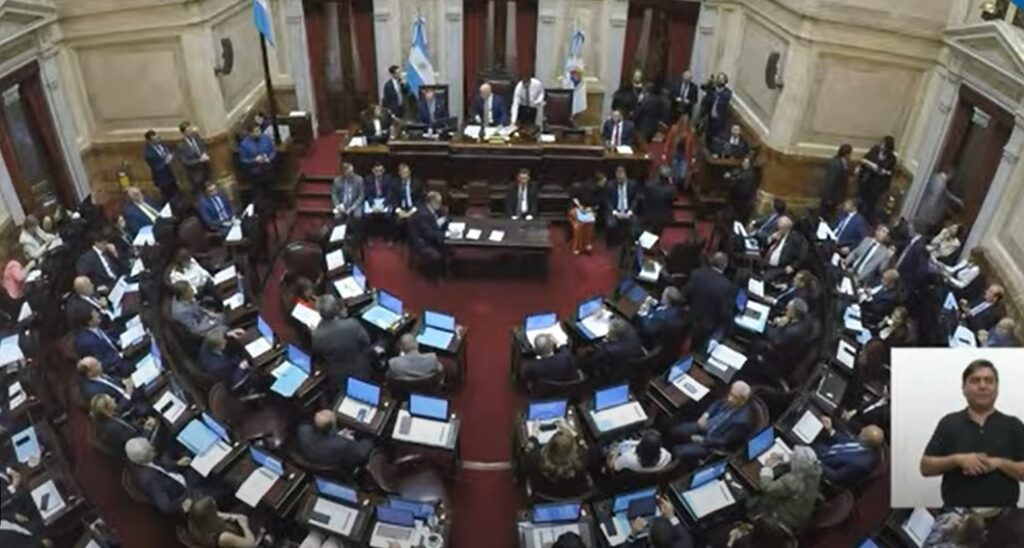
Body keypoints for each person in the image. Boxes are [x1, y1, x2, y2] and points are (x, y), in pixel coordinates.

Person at [921, 359, 1024, 507]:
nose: (982, 386)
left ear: (997, 388)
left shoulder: (1013, 425)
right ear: (964, 388)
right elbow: (925, 468)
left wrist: (999, 463)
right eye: (975, 380)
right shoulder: (949, 423)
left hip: (1006, 515)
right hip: (956, 514)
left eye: (989, 381)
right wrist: (957, 460)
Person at [665, 381, 752, 460]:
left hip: (711, 444)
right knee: (674, 430)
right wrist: (706, 415)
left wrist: (702, 440)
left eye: (735, 397)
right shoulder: (729, 400)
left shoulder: (741, 422)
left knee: (678, 451)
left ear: (743, 400)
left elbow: (723, 441)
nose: (730, 399)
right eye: (731, 394)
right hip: (705, 426)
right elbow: (717, 404)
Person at [748, 445, 823, 532]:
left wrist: (767, 468)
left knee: (752, 500)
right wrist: (783, 457)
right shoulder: (814, 473)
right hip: (800, 512)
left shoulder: (792, 481)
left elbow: (767, 487)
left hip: (783, 517)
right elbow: (801, 463)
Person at [311, 295, 373, 385]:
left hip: (337, 376)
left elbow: (319, 355)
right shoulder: (352, 324)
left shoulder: (316, 335)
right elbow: (366, 342)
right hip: (360, 370)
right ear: (337, 308)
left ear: (319, 312)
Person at [125, 437, 195, 515]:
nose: (153, 448)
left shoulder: (137, 459)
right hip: (183, 491)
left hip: (175, 475)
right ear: (143, 458)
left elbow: (159, 466)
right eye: (150, 450)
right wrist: (182, 505)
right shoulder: (151, 480)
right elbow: (166, 506)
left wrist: (177, 464)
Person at [812, 416, 885, 487]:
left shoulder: (859, 464)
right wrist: (831, 431)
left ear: (866, 441)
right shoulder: (862, 442)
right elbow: (846, 442)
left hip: (820, 467)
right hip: (822, 449)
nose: (862, 429)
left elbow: (836, 476)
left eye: (864, 432)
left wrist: (816, 463)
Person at [523, 422, 591, 497]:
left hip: (544, 498)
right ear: (573, 449)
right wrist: (570, 430)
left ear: (550, 445)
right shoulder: (583, 460)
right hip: (575, 497)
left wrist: (534, 436)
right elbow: (583, 444)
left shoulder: (535, 460)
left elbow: (528, 450)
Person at [682, 252, 734, 348]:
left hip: (687, 319)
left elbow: (684, 294)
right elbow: (724, 312)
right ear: (725, 266)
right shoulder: (726, 286)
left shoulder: (696, 273)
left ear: (711, 261)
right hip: (707, 328)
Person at [296, 409, 375, 469]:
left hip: (316, 460)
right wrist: (352, 439)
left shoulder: (302, 430)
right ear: (333, 425)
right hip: (340, 465)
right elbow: (365, 450)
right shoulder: (342, 444)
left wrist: (338, 435)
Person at [90, 393, 155, 460]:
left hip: (130, 433)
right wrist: (148, 429)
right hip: (136, 448)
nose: (114, 399)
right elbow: (137, 440)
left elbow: (120, 412)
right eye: (111, 400)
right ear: (106, 410)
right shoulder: (115, 428)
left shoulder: (104, 417)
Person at [762, 299, 814, 380]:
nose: (786, 308)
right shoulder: (803, 318)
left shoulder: (793, 331)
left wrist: (764, 323)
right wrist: (786, 319)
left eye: (788, 309)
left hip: (778, 358)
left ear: (793, 313)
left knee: (756, 341)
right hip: (785, 345)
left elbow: (775, 340)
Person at [170, 281, 242, 340]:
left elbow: (197, 308)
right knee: (227, 327)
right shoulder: (182, 312)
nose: (192, 290)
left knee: (227, 315)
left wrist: (210, 314)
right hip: (204, 332)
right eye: (190, 290)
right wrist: (212, 322)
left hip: (205, 319)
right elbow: (196, 330)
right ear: (183, 295)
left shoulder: (182, 298)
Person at [186, 496, 258, 547]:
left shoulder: (196, 524)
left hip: (231, 526)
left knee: (247, 504)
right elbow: (251, 544)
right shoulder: (223, 537)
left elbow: (219, 514)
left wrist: (234, 516)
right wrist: (244, 525)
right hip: (244, 536)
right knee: (259, 510)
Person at [855, 135, 897, 223]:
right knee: (860, 200)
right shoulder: (875, 150)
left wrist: (880, 170)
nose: (882, 146)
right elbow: (865, 158)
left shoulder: (892, 158)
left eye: (884, 144)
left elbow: (888, 172)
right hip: (866, 179)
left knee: (871, 204)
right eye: (882, 143)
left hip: (877, 185)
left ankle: (865, 221)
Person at [624, 498, 694, 548]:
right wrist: (671, 516)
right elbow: (684, 535)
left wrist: (633, 534)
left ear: (649, 539)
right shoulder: (685, 544)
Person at [75, 309, 127, 376]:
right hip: (116, 369)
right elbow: (102, 364)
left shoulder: (95, 326)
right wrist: (122, 354)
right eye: (95, 315)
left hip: (119, 353)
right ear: (89, 322)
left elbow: (108, 338)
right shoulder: (88, 343)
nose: (98, 314)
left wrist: (120, 342)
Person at [409, 191, 448, 275]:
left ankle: (445, 269)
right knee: (439, 253)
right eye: (438, 202)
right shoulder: (423, 214)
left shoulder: (430, 209)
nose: (440, 204)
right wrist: (446, 234)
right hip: (422, 242)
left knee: (448, 249)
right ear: (432, 202)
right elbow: (428, 234)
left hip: (427, 237)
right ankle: (435, 275)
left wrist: (441, 220)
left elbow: (443, 216)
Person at [763, 216, 808, 282]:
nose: (777, 230)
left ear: (785, 228)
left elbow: (803, 255)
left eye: (779, 228)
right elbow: (767, 247)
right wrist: (770, 239)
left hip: (782, 268)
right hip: (767, 265)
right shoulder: (778, 235)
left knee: (765, 279)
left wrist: (793, 266)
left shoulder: (796, 239)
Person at [568, 171, 603, 254]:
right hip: (577, 208)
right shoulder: (583, 187)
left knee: (590, 222)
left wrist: (590, 209)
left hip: (590, 211)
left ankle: (587, 244)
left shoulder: (600, 191)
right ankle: (577, 246)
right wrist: (580, 207)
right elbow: (574, 198)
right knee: (579, 224)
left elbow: (598, 205)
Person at [607, 429, 672, 473]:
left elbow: (612, 466)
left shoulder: (628, 458)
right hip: (648, 477)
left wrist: (615, 451)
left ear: (639, 447)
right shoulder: (666, 455)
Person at [604, 166, 639, 242]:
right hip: (615, 210)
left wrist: (630, 211)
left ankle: (631, 243)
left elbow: (635, 199)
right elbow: (607, 201)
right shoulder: (610, 185)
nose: (620, 179)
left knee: (635, 223)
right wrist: (614, 212)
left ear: (625, 176)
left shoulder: (632, 184)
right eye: (618, 178)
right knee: (611, 224)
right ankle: (612, 243)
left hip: (628, 210)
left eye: (621, 178)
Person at [661, 114, 697, 187]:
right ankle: (674, 186)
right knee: (674, 172)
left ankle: (679, 183)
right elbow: (668, 142)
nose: (685, 125)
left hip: (685, 156)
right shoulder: (674, 129)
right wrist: (665, 152)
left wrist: (693, 157)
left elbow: (693, 146)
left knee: (682, 174)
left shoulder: (691, 132)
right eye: (683, 123)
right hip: (675, 153)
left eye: (686, 123)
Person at [238, 122, 277, 188]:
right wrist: (254, 160)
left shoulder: (266, 138)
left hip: (268, 166)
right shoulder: (244, 144)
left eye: (259, 130)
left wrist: (269, 158)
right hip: (255, 170)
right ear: (250, 133)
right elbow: (243, 159)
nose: (259, 133)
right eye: (255, 131)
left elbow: (273, 150)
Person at [143, 129, 178, 203]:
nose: (157, 140)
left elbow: (168, 152)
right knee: (167, 197)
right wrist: (166, 161)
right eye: (154, 140)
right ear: (149, 141)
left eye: (157, 138)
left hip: (171, 174)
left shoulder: (162, 144)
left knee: (176, 194)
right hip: (162, 178)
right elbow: (156, 167)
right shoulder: (148, 153)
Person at [390, 163, 422, 241]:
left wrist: (411, 212)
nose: (404, 175)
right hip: (401, 208)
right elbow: (393, 199)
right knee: (396, 220)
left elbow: (420, 199)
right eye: (402, 173)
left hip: (413, 208)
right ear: (399, 173)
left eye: (406, 172)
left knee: (411, 220)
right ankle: (397, 239)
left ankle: (413, 240)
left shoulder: (417, 183)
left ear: (409, 172)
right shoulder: (395, 183)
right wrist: (399, 211)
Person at [921, 510, 987, 548]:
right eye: (962, 518)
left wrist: (944, 529)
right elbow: (934, 521)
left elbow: (925, 545)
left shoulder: (952, 545)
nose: (957, 522)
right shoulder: (953, 517)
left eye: (961, 522)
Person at [820, 144, 852, 219]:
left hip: (837, 196)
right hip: (832, 196)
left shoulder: (842, 162)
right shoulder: (835, 164)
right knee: (826, 215)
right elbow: (830, 181)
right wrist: (828, 198)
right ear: (846, 154)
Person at [641, 166, 676, 235]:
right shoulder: (671, 189)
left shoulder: (648, 185)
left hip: (648, 215)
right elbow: (672, 201)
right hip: (662, 217)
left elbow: (644, 198)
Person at [177, 121, 211, 188]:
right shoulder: (181, 146)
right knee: (200, 189)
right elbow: (185, 162)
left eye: (190, 129)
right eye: (188, 131)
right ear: (183, 133)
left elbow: (202, 146)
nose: (190, 132)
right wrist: (199, 160)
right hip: (195, 172)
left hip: (205, 168)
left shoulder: (196, 136)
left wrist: (204, 153)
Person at [724, 156, 757, 223]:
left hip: (745, 199)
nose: (744, 164)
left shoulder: (751, 173)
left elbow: (741, 177)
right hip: (736, 197)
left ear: (749, 164)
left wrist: (731, 176)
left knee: (739, 216)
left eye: (746, 163)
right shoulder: (739, 170)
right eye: (744, 162)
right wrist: (730, 175)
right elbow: (735, 174)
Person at [363, 161, 394, 227]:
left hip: (384, 200)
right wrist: (372, 205)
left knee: (388, 215)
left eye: (381, 171)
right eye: (376, 171)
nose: (379, 173)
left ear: (384, 170)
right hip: (373, 200)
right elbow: (368, 194)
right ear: (373, 170)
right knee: (367, 216)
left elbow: (390, 193)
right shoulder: (368, 179)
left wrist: (383, 205)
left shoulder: (388, 178)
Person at [705, 73, 732, 142]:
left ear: (725, 81)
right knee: (707, 137)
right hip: (710, 118)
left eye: (722, 79)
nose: (720, 80)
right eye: (718, 78)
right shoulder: (713, 90)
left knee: (716, 139)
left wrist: (715, 91)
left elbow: (724, 99)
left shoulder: (727, 92)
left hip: (719, 120)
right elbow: (708, 99)